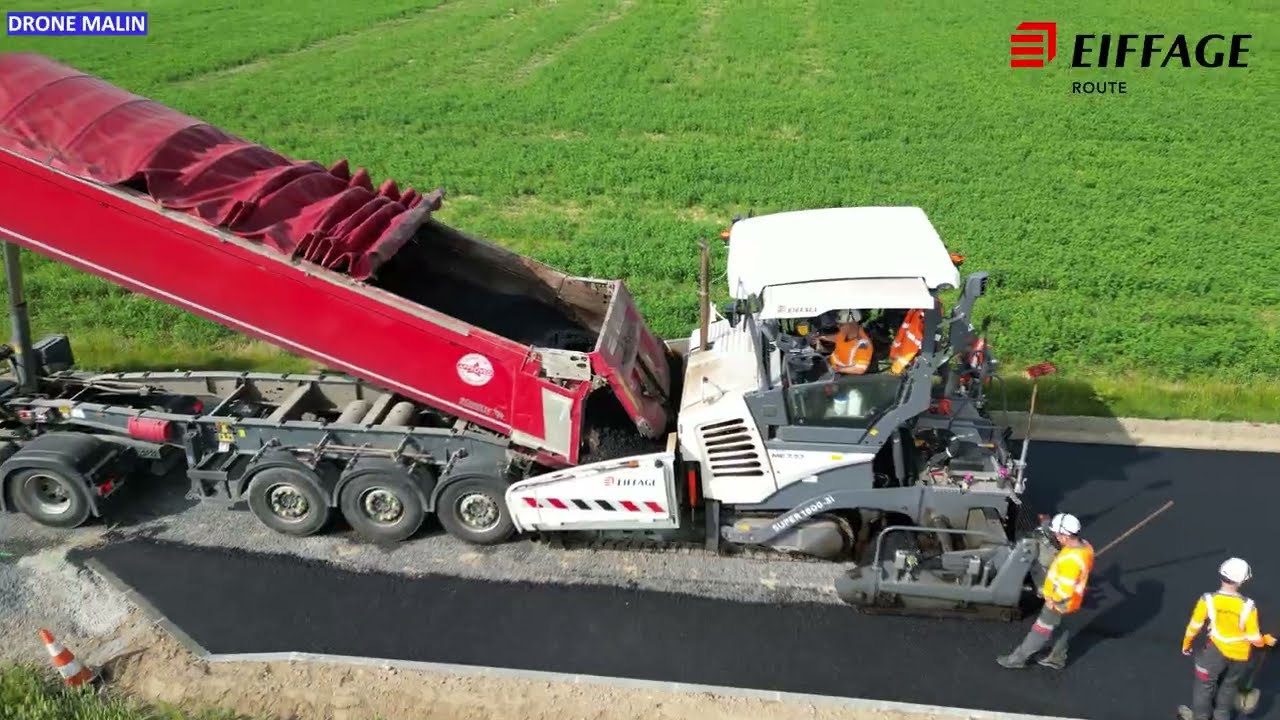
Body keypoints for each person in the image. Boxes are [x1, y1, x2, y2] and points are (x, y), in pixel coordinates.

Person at [1177, 558, 1276, 720]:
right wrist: (1265, 640)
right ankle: (1221, 716)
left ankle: (1201, 717)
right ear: (1242, 580)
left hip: (1214, 652)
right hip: (1240, 655)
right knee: (1228, 687)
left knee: (1204, 687)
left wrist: (1187, 643)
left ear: (1221, 575)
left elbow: (1195, 625)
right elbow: (1254, 637)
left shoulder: (1207, 600)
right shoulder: (1248, 606)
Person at [997, 512, 1093, 670]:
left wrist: (1052, 599)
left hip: (1060, 601)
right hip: (1075, 598)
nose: (1056, 537)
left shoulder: (1071, 561)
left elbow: (1065, 589)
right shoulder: (1086, 546)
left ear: (1064, 535)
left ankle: (1018, 658)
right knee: (1062, 626)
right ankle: (1057, 658)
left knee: (1040, 629)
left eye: (1057, 534)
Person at [821, 310, 874, 375]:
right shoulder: (845, 334)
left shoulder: (863, 345)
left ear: (852, 324)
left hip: (843, 375)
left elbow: (859, 369)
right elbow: (837, 338)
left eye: (841, 325)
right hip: (831, 365)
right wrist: (820, 337)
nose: (838, 326)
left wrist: (837, 369)